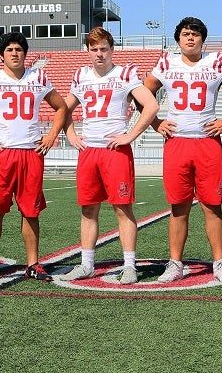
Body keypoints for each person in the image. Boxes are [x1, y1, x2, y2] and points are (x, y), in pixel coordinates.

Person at [143, 16, 222, 284]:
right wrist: (156, 122)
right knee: (178, 207)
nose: (190, 38)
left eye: (195, 34)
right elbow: (142, 93)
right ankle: (175, 264)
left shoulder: (215, 62)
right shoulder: (166, 63)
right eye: (185, 34)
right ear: (178, 39)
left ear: (202, 38)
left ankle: (219, 263)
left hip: (207, 142)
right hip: (177, 142)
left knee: (212, 206)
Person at [0, 32, 67, 283]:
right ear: (2, 54)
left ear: (25, 53)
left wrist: (52, 135)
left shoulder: (38, 77)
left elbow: (61, 107)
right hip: (2, 153)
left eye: (19, 49)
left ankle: (33, 264)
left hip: (31, 152)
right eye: (9, 49)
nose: (14, 53)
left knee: (30, 212)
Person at [58, 27, 159, 284]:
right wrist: (70, 134)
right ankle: (87, 264)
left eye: (104, 48)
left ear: (112, 50)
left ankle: (129, 266)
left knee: (122, 208)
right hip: (89, 149)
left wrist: (130, 135)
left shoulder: (125, 74)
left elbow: (151, 105)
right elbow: (63, 109)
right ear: (88, 51)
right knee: (88, 210)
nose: (99, 54)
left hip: (115, 150)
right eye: (94, 49)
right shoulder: (81, 75)